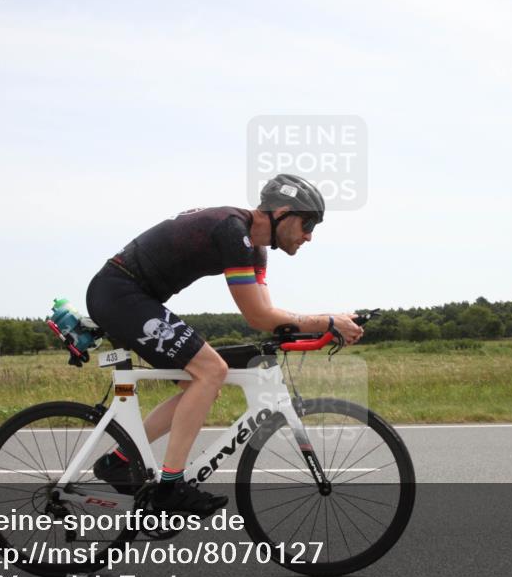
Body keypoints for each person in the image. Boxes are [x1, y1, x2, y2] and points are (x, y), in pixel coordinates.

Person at [85, 173, 363, 516]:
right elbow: (259, 315)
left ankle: (119, 460)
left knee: (200, 383)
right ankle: (170, 488)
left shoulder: (255, 249)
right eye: (308, 224)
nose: (309, 236)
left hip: (131, 297)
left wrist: (323, 327)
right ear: (284, 213)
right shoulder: (233, 231)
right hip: (119, 293)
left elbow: (268, 316)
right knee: (211, 371)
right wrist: (327, 320)